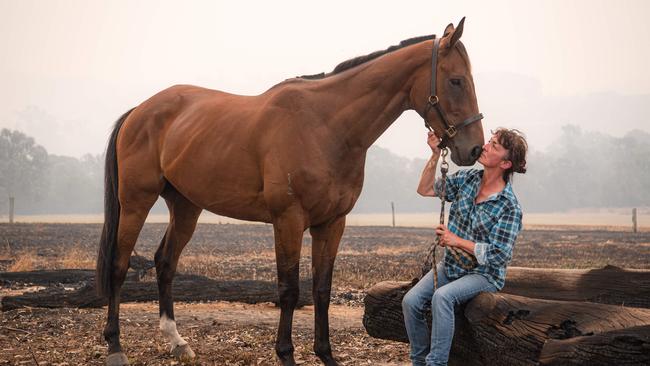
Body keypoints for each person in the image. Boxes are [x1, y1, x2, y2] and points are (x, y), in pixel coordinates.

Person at [402, 128, 528, 366]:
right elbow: (426, 189)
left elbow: (499, 255)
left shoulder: (509, 206)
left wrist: (456, 240)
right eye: (490, 141)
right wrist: (434, 155)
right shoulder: (467, 179)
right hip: (451, 265)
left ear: (506, 163)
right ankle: (418, 361)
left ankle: (436, 363)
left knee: (442, 297)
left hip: (483, 274)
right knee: (410, 302)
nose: (486, 146)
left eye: (495, 146)